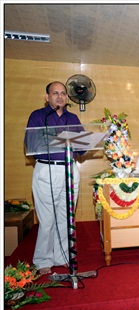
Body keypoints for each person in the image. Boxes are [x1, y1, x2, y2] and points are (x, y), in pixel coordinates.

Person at [25, 81, 84, 275]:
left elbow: (83, 147)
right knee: (47, 219)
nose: (60, 97)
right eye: (55, 93)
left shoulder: (73, 117)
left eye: (63, 93)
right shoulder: (38, 116)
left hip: (69, 170)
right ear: (47, 97)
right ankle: (43, 260)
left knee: (66, 217)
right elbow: (32, 146)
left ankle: (63, 256)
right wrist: (60, 138)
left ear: (67, 97)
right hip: (46, 170)